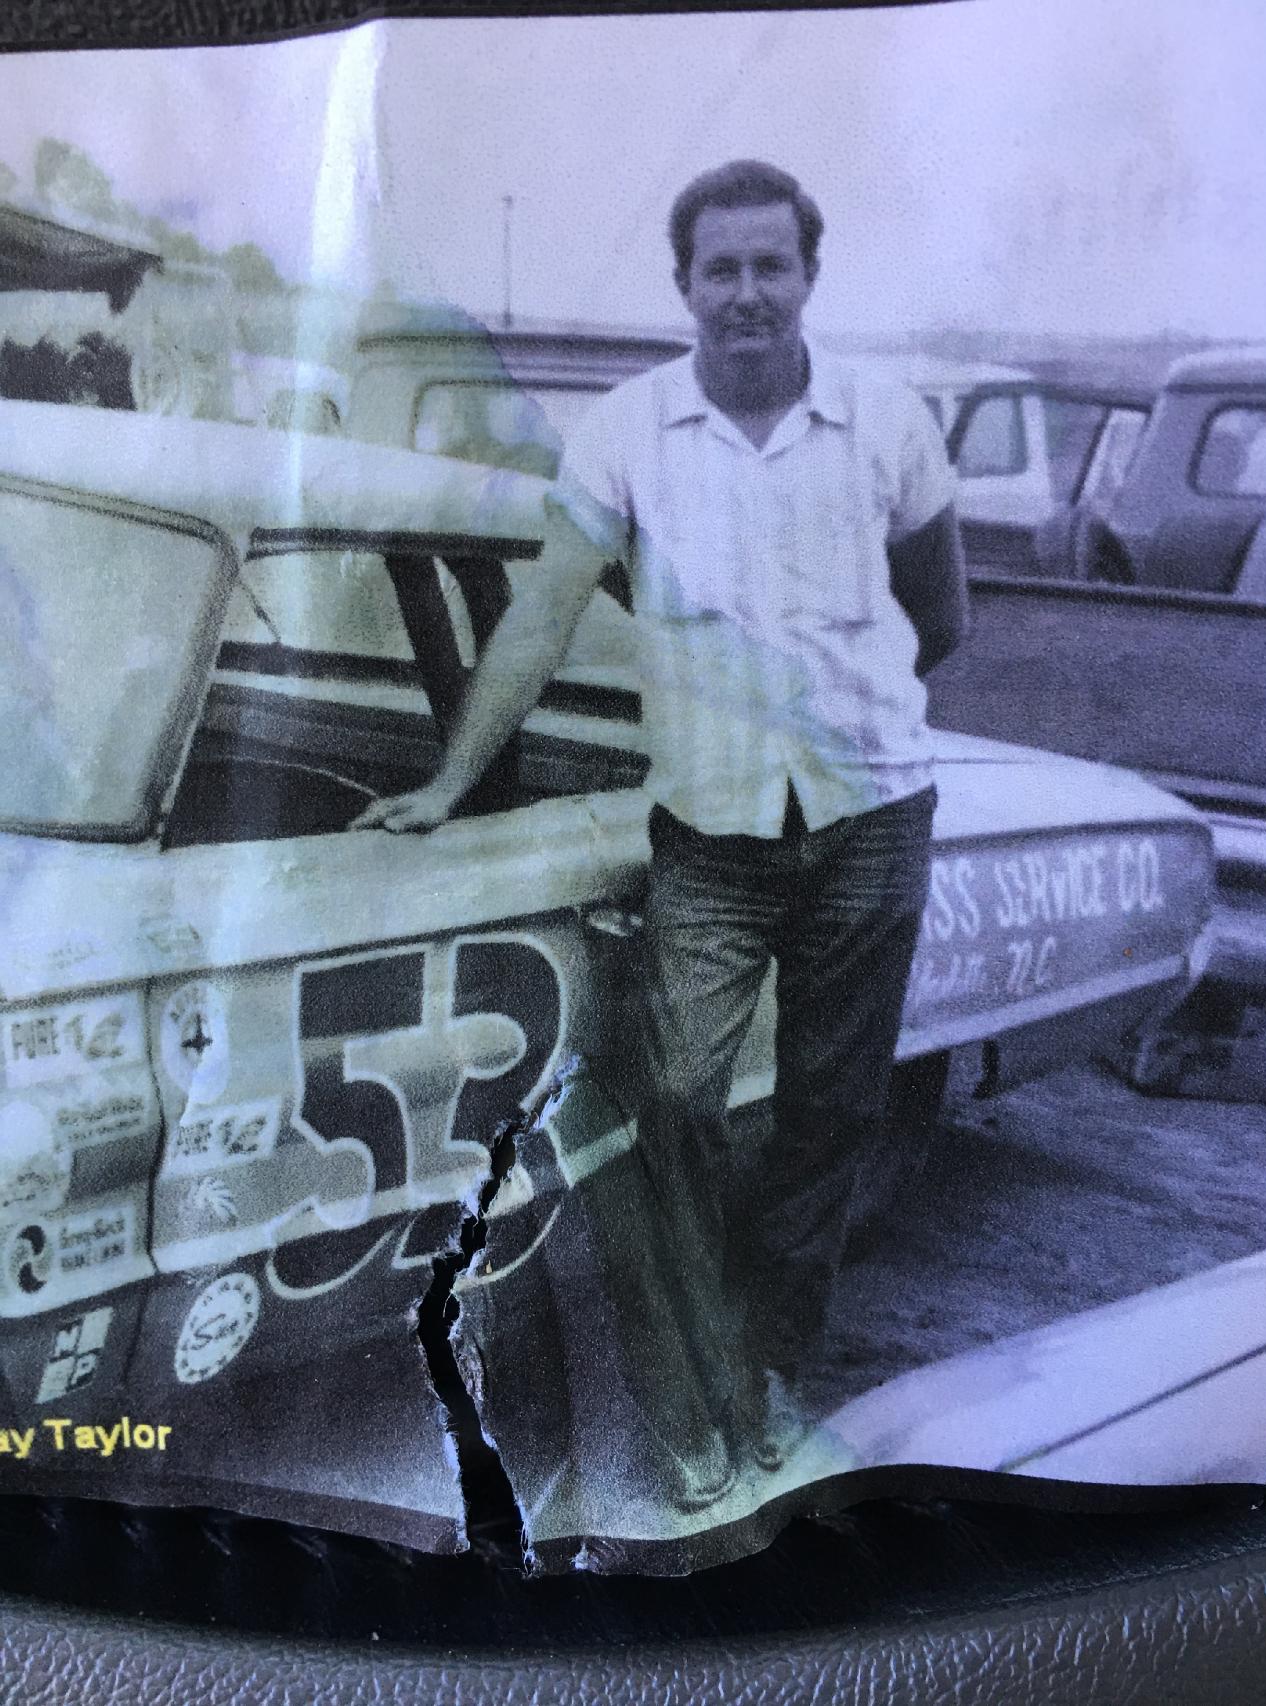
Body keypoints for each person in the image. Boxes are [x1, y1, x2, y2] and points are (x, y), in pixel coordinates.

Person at [353, 159, 968, 1513]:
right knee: (677, 1105)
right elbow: (541, 615)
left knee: (829, 1114)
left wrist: (847, 718)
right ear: (683, 283)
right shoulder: (627, 432)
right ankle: (694, 1393)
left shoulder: (888, 423)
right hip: (711, 835)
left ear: (810, 274)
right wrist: (451, 781)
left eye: (770, 265)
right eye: (720, 269)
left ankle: (769, 1377)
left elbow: (942, 616)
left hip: (872, 820)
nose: (747, 293)